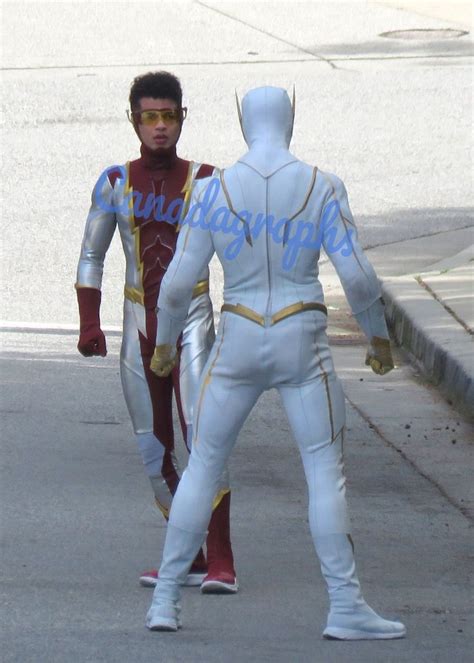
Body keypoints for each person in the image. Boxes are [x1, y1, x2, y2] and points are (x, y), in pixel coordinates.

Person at [145, 86, 406, 640]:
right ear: (292, 118)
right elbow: (358, 277)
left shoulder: (214, 190)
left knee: (203, 464)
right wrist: (378, 338)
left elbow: (174, 287)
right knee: (322, 471)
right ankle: (344, 603)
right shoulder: (320, 186)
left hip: (239, 331)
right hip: (300, 334)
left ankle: (166, 599)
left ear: (243, 122)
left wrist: (165, 345)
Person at [75, 71, 237, 594]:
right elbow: (91, 255)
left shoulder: (210, 180)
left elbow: (238, 258)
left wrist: (239, 320)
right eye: (150, 117)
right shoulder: (115, 182)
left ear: (182, 117)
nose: (160, 127)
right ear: (134, 120)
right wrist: (88, 321)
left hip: (192, 321)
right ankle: (186, 551)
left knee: (203, 438)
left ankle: (222, 560)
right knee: (153, 449)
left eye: (169, 116)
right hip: (136, 323)